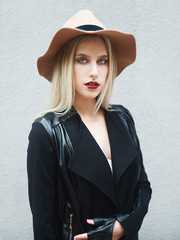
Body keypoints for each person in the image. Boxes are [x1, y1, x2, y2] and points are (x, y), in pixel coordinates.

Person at [27, 10, 152, 240]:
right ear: (66, 64)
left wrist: (121, 227)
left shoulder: (123, 118)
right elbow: (44, 226)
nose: (95, 71)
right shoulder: (46, 131)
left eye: (102, 61)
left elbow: (143, 187)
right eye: (82, 59)